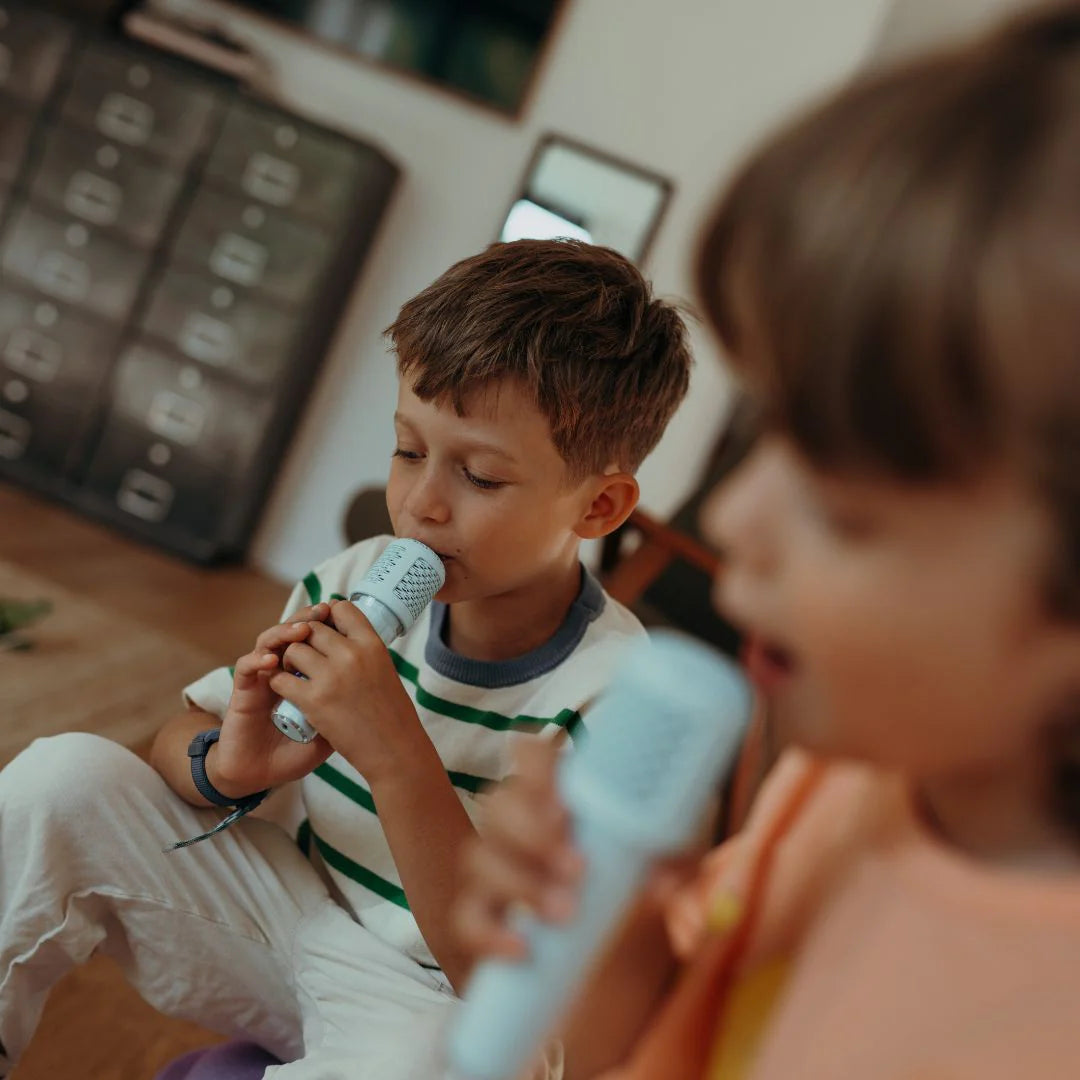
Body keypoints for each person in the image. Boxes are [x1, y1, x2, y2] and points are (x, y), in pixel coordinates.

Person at [452, 6, 1080, 1079]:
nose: (736, 516)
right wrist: (601, 935)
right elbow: (666, 1036)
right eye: (768, 430)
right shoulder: (849, 782)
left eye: (844, 505)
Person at [0, 238, 693, 1079]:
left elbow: (505, 982)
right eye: (408, 451)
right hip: (286, 926)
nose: (421, 504)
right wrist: (225, 762)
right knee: (64, 776)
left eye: (479, 476)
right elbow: (179, 739)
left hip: (430, 1005)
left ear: (599, 506)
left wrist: (396, 756)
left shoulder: (615, 694)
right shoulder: (355, 578)